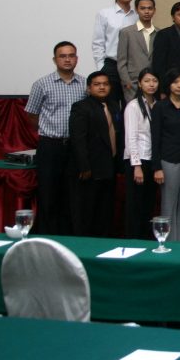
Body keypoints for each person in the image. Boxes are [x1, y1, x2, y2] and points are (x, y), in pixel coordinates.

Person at [24, 41, 86, 235]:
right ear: (55, 59)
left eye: (71, 55)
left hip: (75, 147)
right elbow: (32, 115)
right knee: (48, 194)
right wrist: (49, 130)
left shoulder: (85, 84)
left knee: (73, 194)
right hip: (50, 145)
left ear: (77, 59)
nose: (67, 59)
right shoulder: (42, 84)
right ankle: (48, 236)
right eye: (63, 56)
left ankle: (70, 236)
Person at [68, 71, 122, 237]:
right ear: (89, 88)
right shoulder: (81, 107)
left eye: (105, 84)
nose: (102, 87)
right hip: (90, 169)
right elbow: (78, 139)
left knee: (106, 210)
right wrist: (84, 167)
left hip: (109, 166)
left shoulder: (114, 105)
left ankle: (104, 240)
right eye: (97, 84)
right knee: (88, 210)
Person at [151, 68, 180, 242]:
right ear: (169, 85)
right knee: (169, 204)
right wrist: (157, 167)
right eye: (176, 82)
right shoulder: (160, 107)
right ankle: (169, 242)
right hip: (169, 160)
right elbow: (155, 138)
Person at [123, 67, 159, 240]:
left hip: (152, 160)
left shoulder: (157, 104)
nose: (151, 84)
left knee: (148, 204)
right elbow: (131, 137)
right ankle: (133, 240)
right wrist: (136, 165)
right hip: (137, 161)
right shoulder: (133, 106)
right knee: (135, 205)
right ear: (139, 84)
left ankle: (145, 240)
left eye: (154, 81)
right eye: (147, 81)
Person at [91, 0, 137, 103]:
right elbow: (98, 42)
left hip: (131, 67)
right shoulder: (105, 14)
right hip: (111, 65)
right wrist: (101, 67)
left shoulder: (137, 16)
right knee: (111, 104)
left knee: (131, 103)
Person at [116, 0, 156, 103]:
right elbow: (121, 61)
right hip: (133, 85)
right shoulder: (126, 32)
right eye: (143, 8)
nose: (146, 11)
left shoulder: (159, 33)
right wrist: (127, 82)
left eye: (150, 8)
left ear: (154, 10)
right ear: (137, 10)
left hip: (153, 85)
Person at [151, 1, 180, 85]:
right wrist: (162, 87)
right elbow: (158, 64)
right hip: (169, 84)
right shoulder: (164, 35)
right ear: (173, 17)